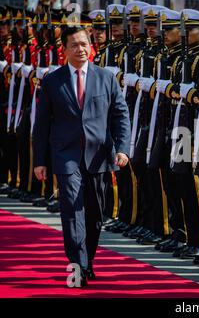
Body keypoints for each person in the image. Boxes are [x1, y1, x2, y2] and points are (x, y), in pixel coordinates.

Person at [32, 26, 131, 287]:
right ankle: (79, 264)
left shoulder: (106, 78)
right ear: (64, 49)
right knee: (72, 211)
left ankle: (89, 259)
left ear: (91, 47)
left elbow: (121, 115)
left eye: (85, 44)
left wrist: (122, 149)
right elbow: (41, 124)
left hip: (98, 155)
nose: (81, 49)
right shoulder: (53, 80)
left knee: (96, 215)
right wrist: (39, 161)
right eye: (74, 45)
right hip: (66, 155)